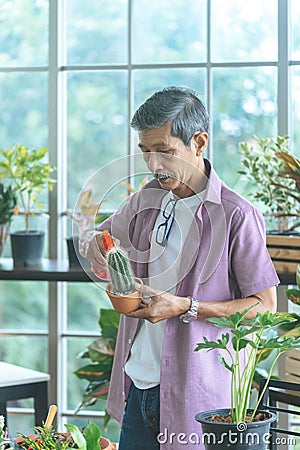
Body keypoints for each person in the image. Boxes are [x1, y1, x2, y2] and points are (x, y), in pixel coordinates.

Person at [80, 86, 279, 450]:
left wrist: (186, 307)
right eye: (145, 152)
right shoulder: (145, 200)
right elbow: (102, 238)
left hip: (197, 400)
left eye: (165, 152)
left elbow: (265, 307)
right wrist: (94, 242)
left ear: (199, 143)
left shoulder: (237, 216)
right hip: (137, 386)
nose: (154, 165)